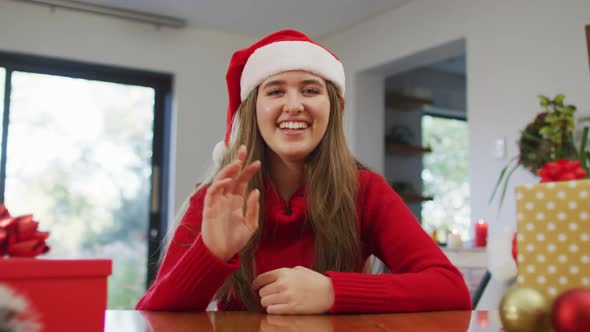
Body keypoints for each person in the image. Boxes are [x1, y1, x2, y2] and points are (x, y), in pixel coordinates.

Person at [136, 29, 471, 314]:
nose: (294, 104)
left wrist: (332, 292)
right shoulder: (220, 198)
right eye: (275, 90)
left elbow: (450, 288)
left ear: (332, 109)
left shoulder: (365, 190)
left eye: (310, 90)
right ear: (253, 111)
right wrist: (210, 255)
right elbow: (151, 316)